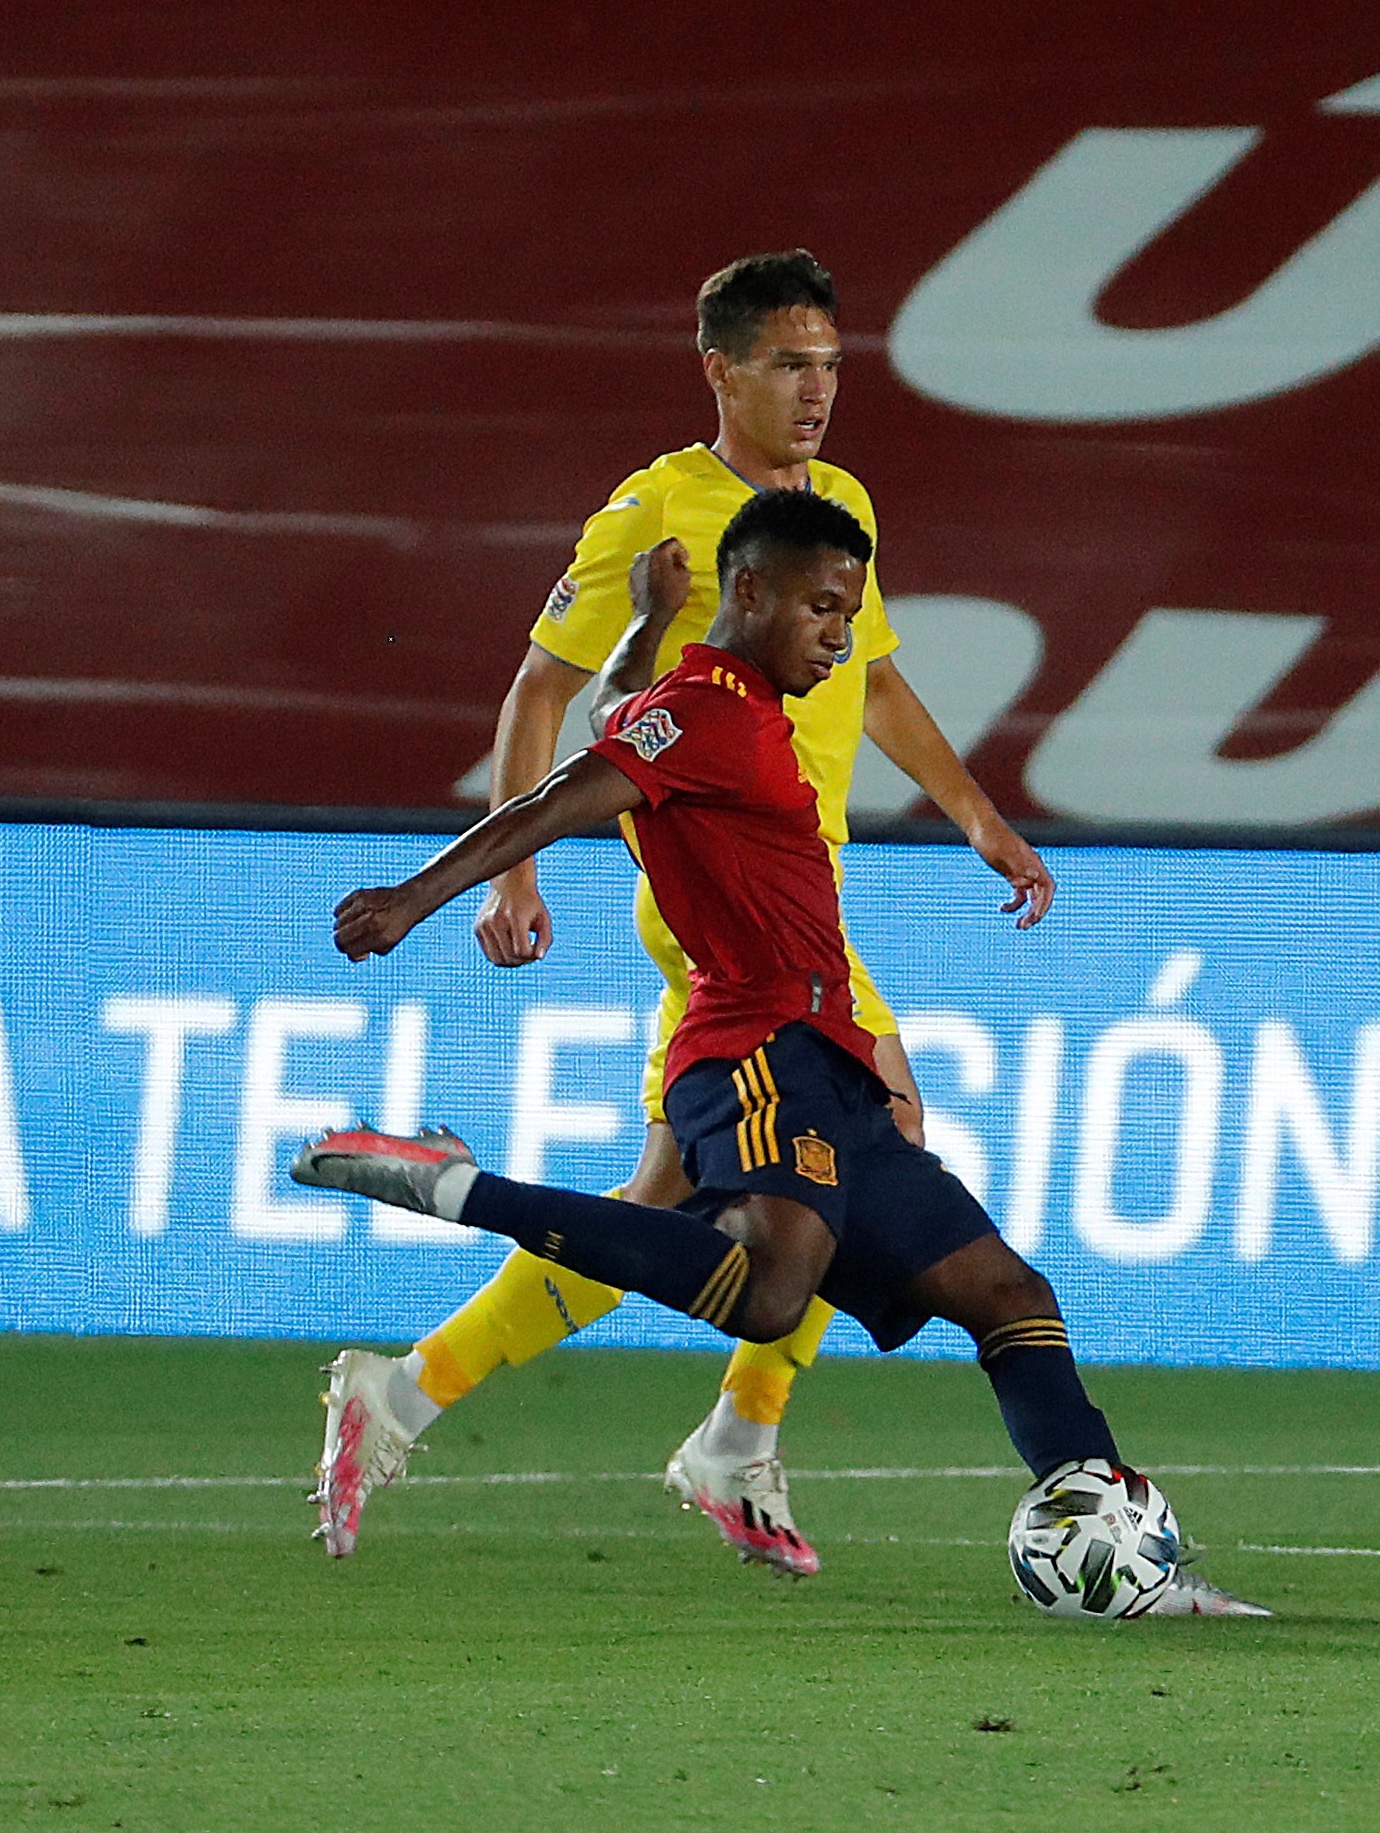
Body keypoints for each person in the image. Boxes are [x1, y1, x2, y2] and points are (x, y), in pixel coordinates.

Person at [295, 485, 1262, 1615]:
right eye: (819, 610)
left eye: (848, 612)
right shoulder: (711, 713)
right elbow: (570, 788)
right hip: (754, 1044)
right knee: (767, 1290)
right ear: (748, 592)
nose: (840, 637)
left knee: (1005, 1291)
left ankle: (1110, 1544)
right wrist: (418, 896)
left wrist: (647, 625)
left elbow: (618, 714)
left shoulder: (707, 699)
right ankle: (462, 1190)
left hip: (830, 1053)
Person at [310, 251, 1052, 1574]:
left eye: (830, 360)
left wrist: (980, 817)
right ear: (720, 368)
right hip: (725, 901)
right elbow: (549, 692)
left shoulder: (837, 506)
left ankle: (409, 1389)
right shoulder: (659, 511)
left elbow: (874, 686)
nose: (816, 387)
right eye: (786, 362)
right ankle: (737, 1436)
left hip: (796, 882)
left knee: (668, 1200)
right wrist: (515, 873)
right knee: (876, 1128)